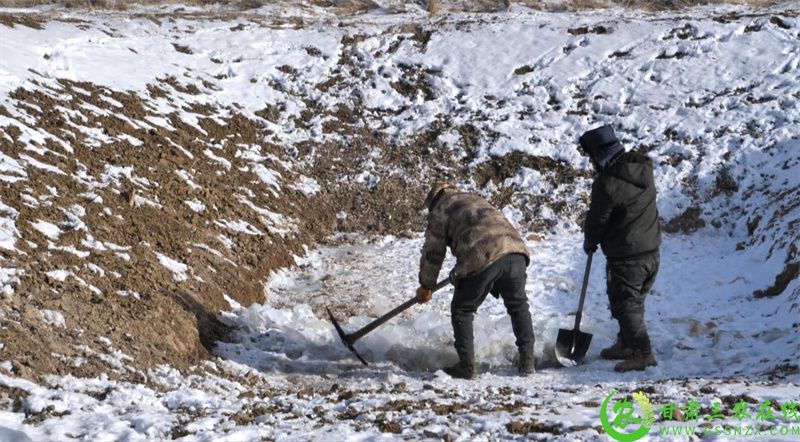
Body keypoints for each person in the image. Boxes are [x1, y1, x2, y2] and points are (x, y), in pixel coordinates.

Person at [416, 183, 535, 379]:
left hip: (484, 254)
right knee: (518, 305)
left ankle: (467, 366)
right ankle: (528, 361)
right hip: (516, 251)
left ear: (433, 200)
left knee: (462, 309)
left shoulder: (441, 208)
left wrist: (426, 285)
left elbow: (433, 253)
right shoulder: (474, 199)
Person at [579, 125, 662, 372]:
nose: (591, 163)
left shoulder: (607, 184)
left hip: (627, 256)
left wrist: (590, 241)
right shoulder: (643, 168)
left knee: (625, 304)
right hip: (651, 250)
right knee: (635, 301)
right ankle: (627, 343)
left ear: (599, 155)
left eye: (591, 157)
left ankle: (642, 352)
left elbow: (598, 219)